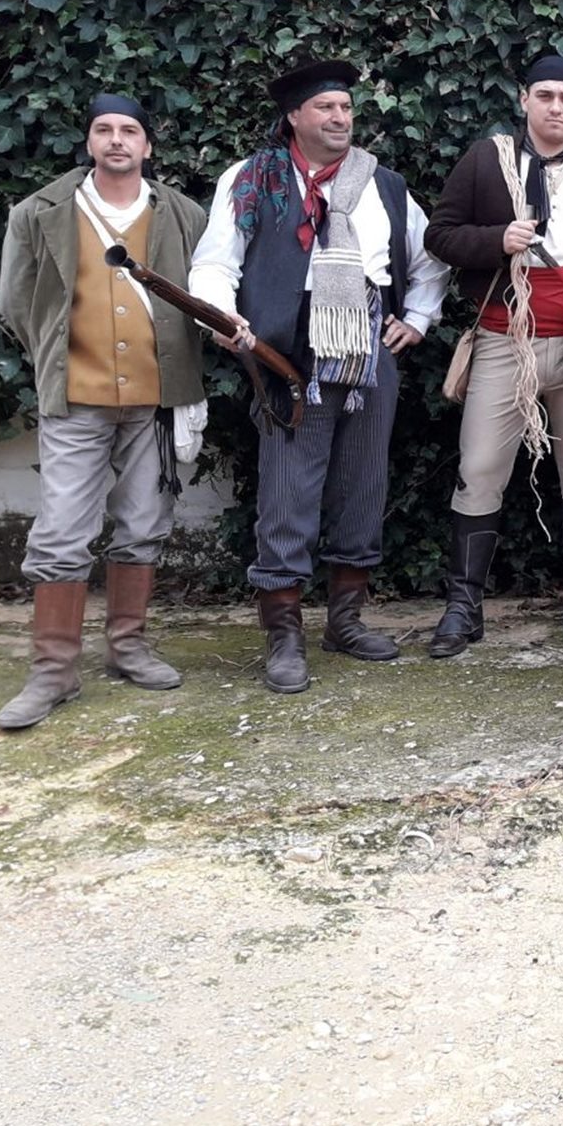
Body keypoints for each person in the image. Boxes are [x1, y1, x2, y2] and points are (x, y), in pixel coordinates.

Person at [189, 58, 448, 694]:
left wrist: (415, 316)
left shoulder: (382, 183)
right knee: (287, 490)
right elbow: (215, 263)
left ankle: (346, 621)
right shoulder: (253, 180)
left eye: (346, 108)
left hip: (367, 349)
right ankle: (284, 635)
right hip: (285, 351)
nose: (340, 118)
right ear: (295, 117)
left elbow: (429, 258)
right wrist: (225, 319)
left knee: (363, 483)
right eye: (326, 108)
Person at [0, 94, 210, 729]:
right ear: (89, 141)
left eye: (130, 131)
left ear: (147, 146)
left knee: (143, 522)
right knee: (61, 531)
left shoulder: (183, 214)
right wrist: (59, 358)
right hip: (76, 398)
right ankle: (53, 670)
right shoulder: (41, 212)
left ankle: (128, 647)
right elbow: (16, 302)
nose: (117, 140)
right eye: (104, 130)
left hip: (158, 397)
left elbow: (210, 289)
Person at [420, 50, 563, 657]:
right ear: (524, 100)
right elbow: (437, 236)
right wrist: (497, 240)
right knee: (480, 470)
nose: (555, 107)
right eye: (544, 96)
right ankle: (463, 605)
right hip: (504, 340)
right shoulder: (486, 161)